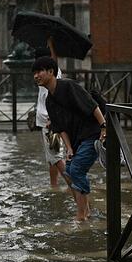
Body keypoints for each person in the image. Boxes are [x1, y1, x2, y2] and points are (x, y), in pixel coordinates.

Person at [33, 56, 106, 222]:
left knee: (77, 170)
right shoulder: (49, 100)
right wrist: (69, 148)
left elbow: (92, 105)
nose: (36, 76)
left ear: (51, 72)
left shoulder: (69, 86)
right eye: (34, 73)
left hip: (92, 133)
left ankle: (81, 216)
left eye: (40, 71)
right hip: (76, 140)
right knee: (70, 170)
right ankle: (86, 212)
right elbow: (60, 128)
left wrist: (104, 127)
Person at [34, 46, 66, 188]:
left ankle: (75, 185)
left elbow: (54, 97)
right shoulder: (54, 71)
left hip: (49, 121)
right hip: (48, 119)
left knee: (56, 156)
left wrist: (51, 119)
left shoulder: (47, 75)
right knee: (52, 156)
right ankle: (54, 185)